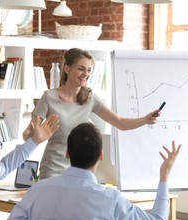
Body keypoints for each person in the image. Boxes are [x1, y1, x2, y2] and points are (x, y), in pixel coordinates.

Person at [0, 123, 181, 220]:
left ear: (67, 153)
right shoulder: (109, 198)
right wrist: (164, 177)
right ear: (101, 155)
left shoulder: (38, 189)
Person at [28, 48, 161, 179]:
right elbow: (27, 134)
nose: (86, 73)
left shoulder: (90, 98)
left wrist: (145, 119)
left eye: (89, 70)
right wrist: (32, 134)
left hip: (80, 171)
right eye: (81, 68)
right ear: (67, 69)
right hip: (53, 169)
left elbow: (120, 123)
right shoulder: (48, 97)